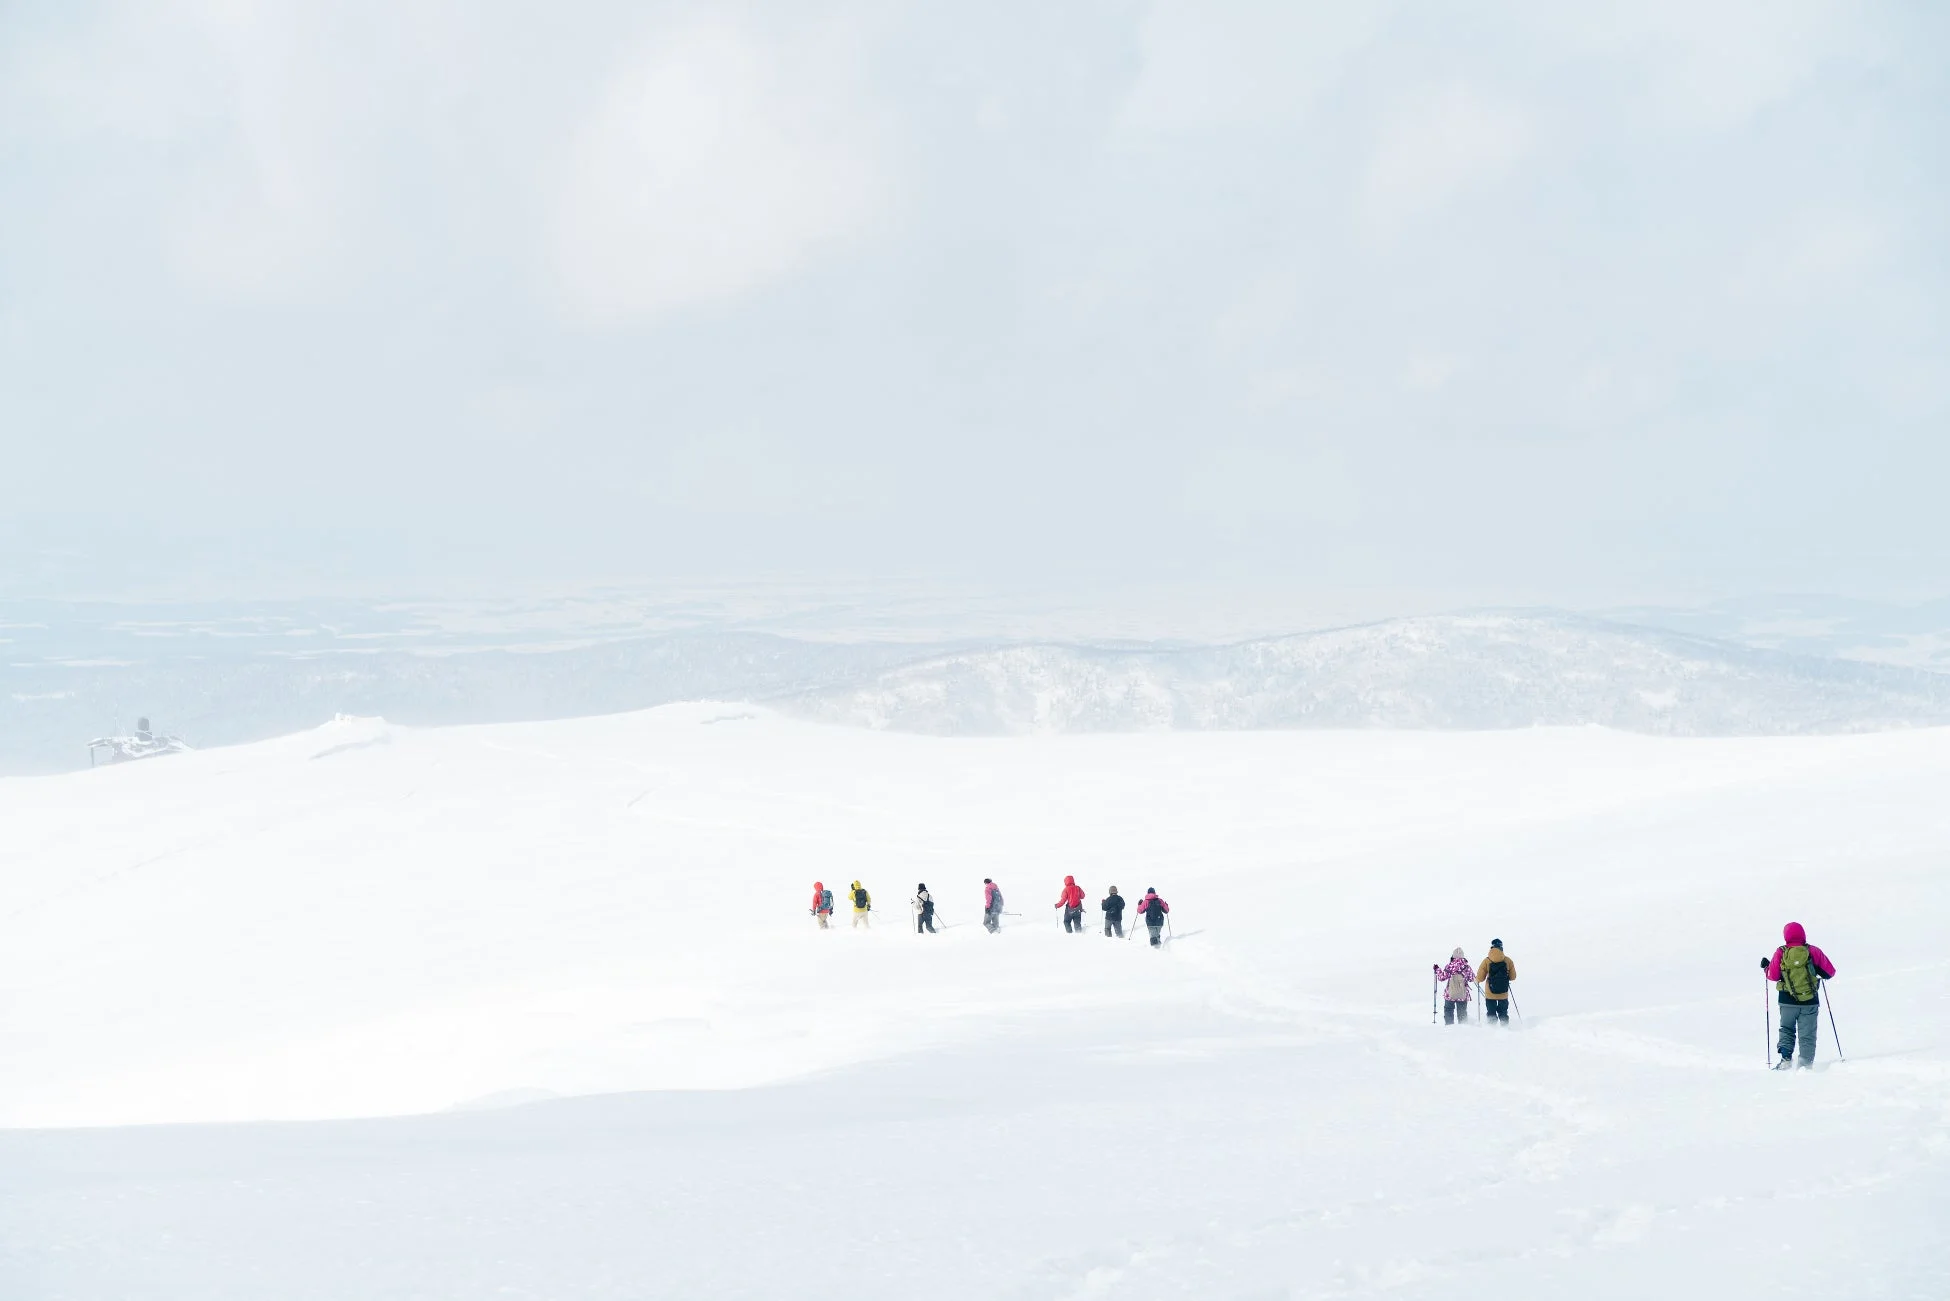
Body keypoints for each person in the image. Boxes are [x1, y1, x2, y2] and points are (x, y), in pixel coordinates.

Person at [1764, 921, 1837, 1069]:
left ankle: (1785, 1060)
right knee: (1807, 1034)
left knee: (1786, 1029)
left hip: (1786, 1001)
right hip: (1810, 1001)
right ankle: (1805, 1065)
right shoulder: (1813, 951)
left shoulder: (1781, 952)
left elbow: (1772, 975)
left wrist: (1766, 967)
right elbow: (1830, 973)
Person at [1476, 940, 1515, 1023]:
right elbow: (1513, 977)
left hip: (1490, 993)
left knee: (1491, 1013)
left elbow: (1480, 978)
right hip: (1503, 992)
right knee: (1503, 1013)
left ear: (1492, 947)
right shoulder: (1508, 960)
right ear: (1501, 947)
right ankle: (1505, 1027)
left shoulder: (1486, 960)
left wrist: (1477, 979)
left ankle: (1492, 1028)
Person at [1434, 947, 1474, 1023]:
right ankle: (1463, 1026)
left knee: (1448, 1010)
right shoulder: (1466, 967)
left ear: (1453, 956)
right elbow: (1471, 979)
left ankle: (1449, 1027)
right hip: (1462, 994)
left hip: (1450, 994)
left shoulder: (1450, 966)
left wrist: (1437, 970)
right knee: (1462, 1013)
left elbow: (1441, 977)